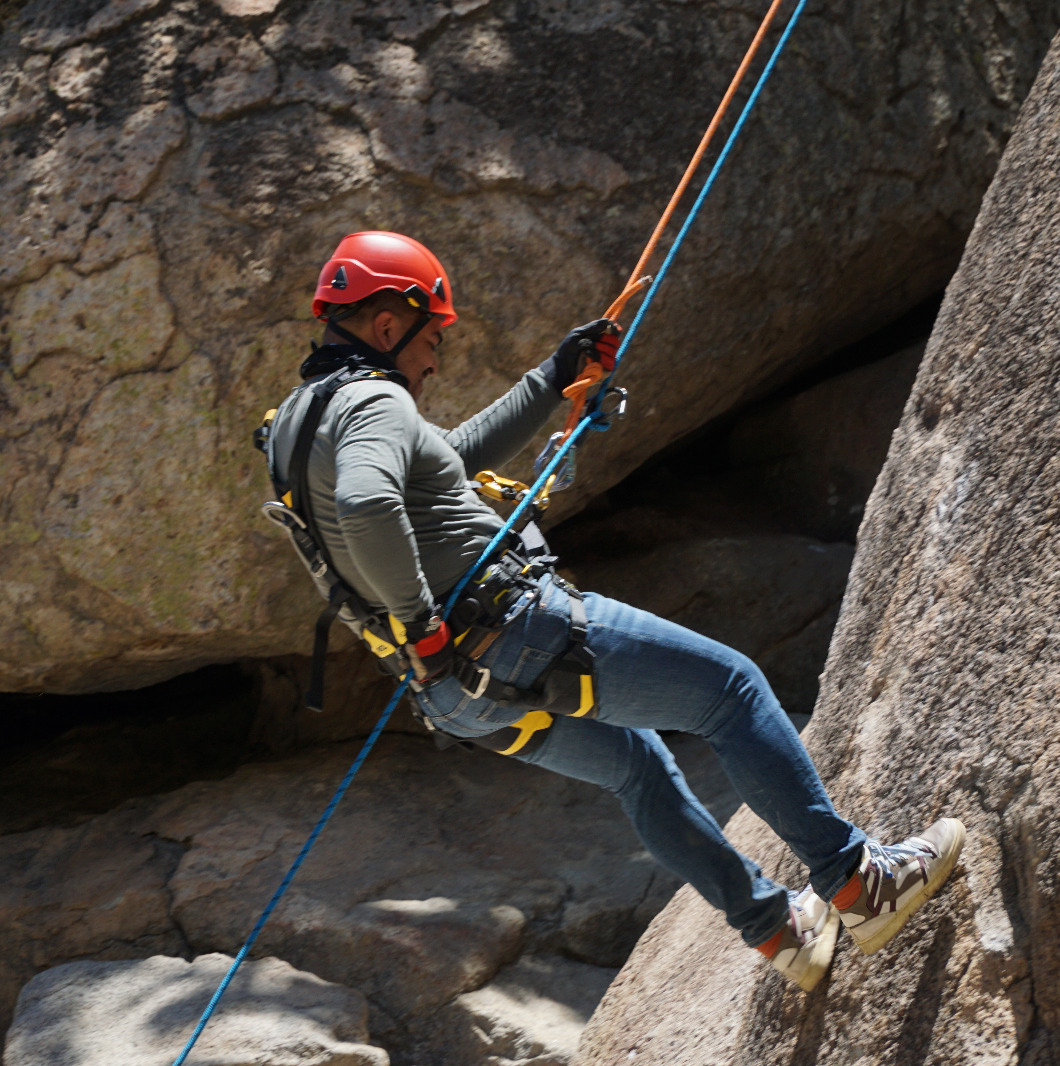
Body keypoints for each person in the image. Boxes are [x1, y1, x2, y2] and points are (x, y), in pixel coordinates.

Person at [260, 230, 964, 991]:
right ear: (390, 325)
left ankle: (780, 930)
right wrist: (422, 617)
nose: (434, 363)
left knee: (637, 767)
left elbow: (447, 463)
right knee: (730, 693)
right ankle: (858, 881)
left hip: (453, 694)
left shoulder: (304, 418)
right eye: (432, 339)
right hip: (509, 634)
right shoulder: (375, 398)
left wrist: (553, 378)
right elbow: (370, 504)